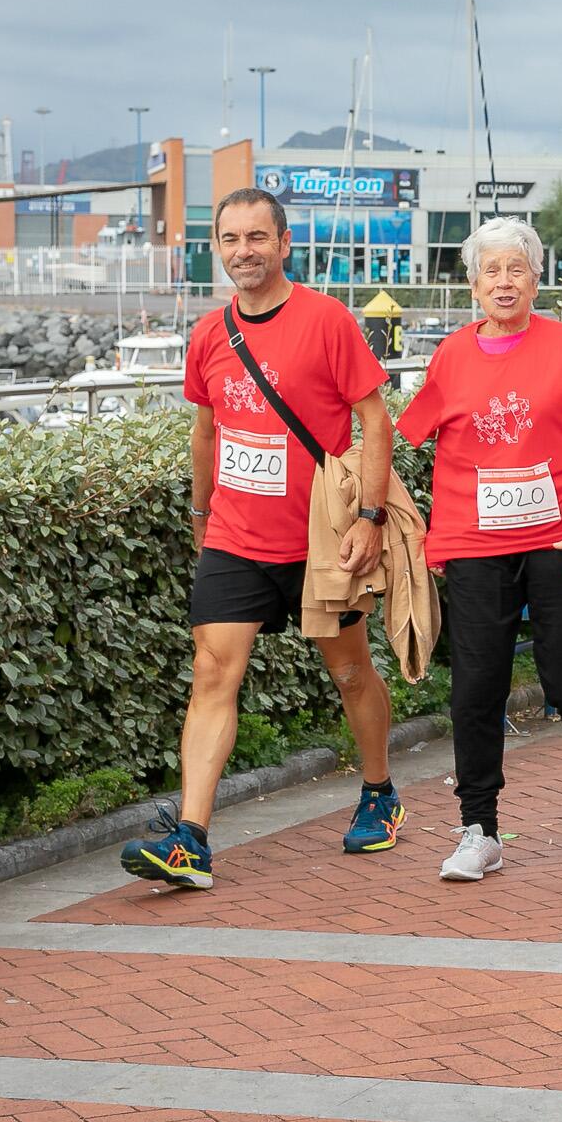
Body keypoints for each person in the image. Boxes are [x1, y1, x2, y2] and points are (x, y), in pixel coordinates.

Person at [119, 188, 400, 890]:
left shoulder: (328, 322)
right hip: (236, 537)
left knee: (350, 672)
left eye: (257, 237)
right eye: (230, 239)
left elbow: (376, 422)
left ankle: (379, 792)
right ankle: (191, 840)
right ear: (217, 248)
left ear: (283, 243)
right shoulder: (210, 333)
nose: (244, 251)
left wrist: (369, 519)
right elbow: (207, 430)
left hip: (319, 541)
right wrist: (201, 515)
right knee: (213, 674)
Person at [393, 217, 562, 884]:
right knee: (476, 685)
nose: (504, 281)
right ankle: (480, 829)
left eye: (516, 269)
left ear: (535, 280)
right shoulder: (450, 357)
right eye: (490, 271)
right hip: (474, 542)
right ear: (473, 286)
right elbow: (402, 434)